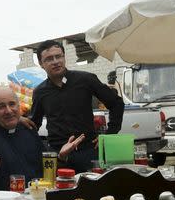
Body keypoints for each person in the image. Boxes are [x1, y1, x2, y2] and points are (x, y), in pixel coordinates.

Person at [31, 40, 124, 173]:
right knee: (59, 192)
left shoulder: (86, 80)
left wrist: (109, 135)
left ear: (64, 57)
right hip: (59, 156)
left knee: (92, 191)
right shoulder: (40, 92)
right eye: (49, 59)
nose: (56, 61)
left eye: (59, 56)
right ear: (41, 64)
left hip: (88, 152)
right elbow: (34, 125)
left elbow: (116, 103)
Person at [0, 87, 85, 190]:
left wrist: (61, 156)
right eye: (1, 106)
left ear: (19, 107)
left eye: (12, 104)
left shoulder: (28, 129)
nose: (9, 111)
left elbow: (47, 171)